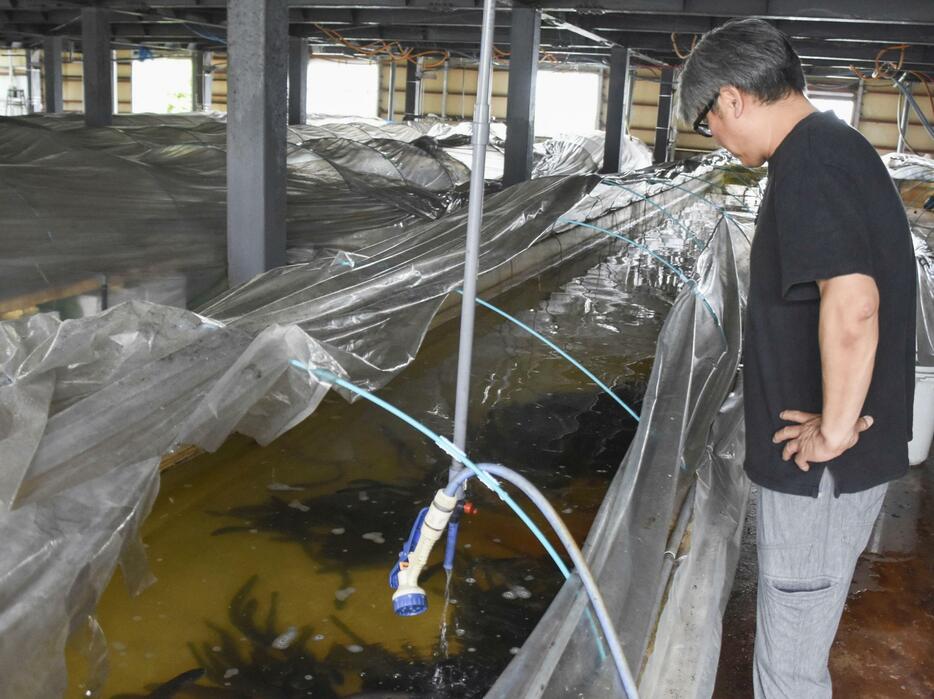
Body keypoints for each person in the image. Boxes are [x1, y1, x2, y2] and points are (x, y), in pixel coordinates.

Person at [677, 18, 917, 699]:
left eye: (707, 121)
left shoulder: (812, 158)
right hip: (827, 466)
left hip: (823, 470)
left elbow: (854, 302)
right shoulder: (831, 148)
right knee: (795, 639)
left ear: (731, 99)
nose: (715, 137)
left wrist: (835, 428)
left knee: (789, 663)